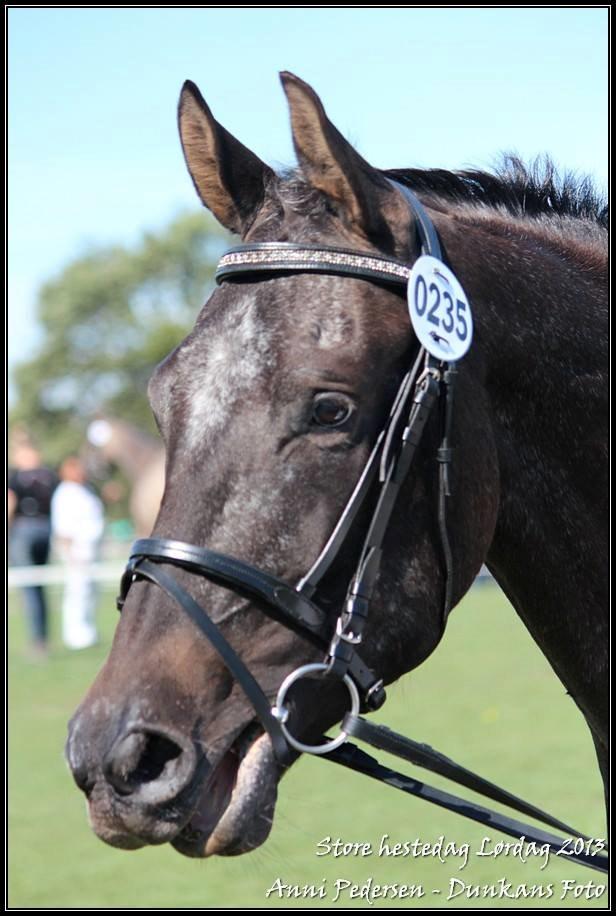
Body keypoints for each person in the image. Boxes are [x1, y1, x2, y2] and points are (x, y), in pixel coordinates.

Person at [8, 441, 58, 658]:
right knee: (38, 585)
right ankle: (42, 639)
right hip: (46, 529)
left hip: (24, 530)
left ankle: (37, 642)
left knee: (29, 587)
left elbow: (10, 502)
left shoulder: (16, 477)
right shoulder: (50, 476)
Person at [51, 456, 105, 650]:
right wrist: (69, 553)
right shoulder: (64, 493)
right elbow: (63, 527)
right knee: (77, 592)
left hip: (91, 550)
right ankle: (75, 635)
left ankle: (88, 631)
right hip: (77, 551)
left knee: (91, 593)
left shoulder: (85, 490)